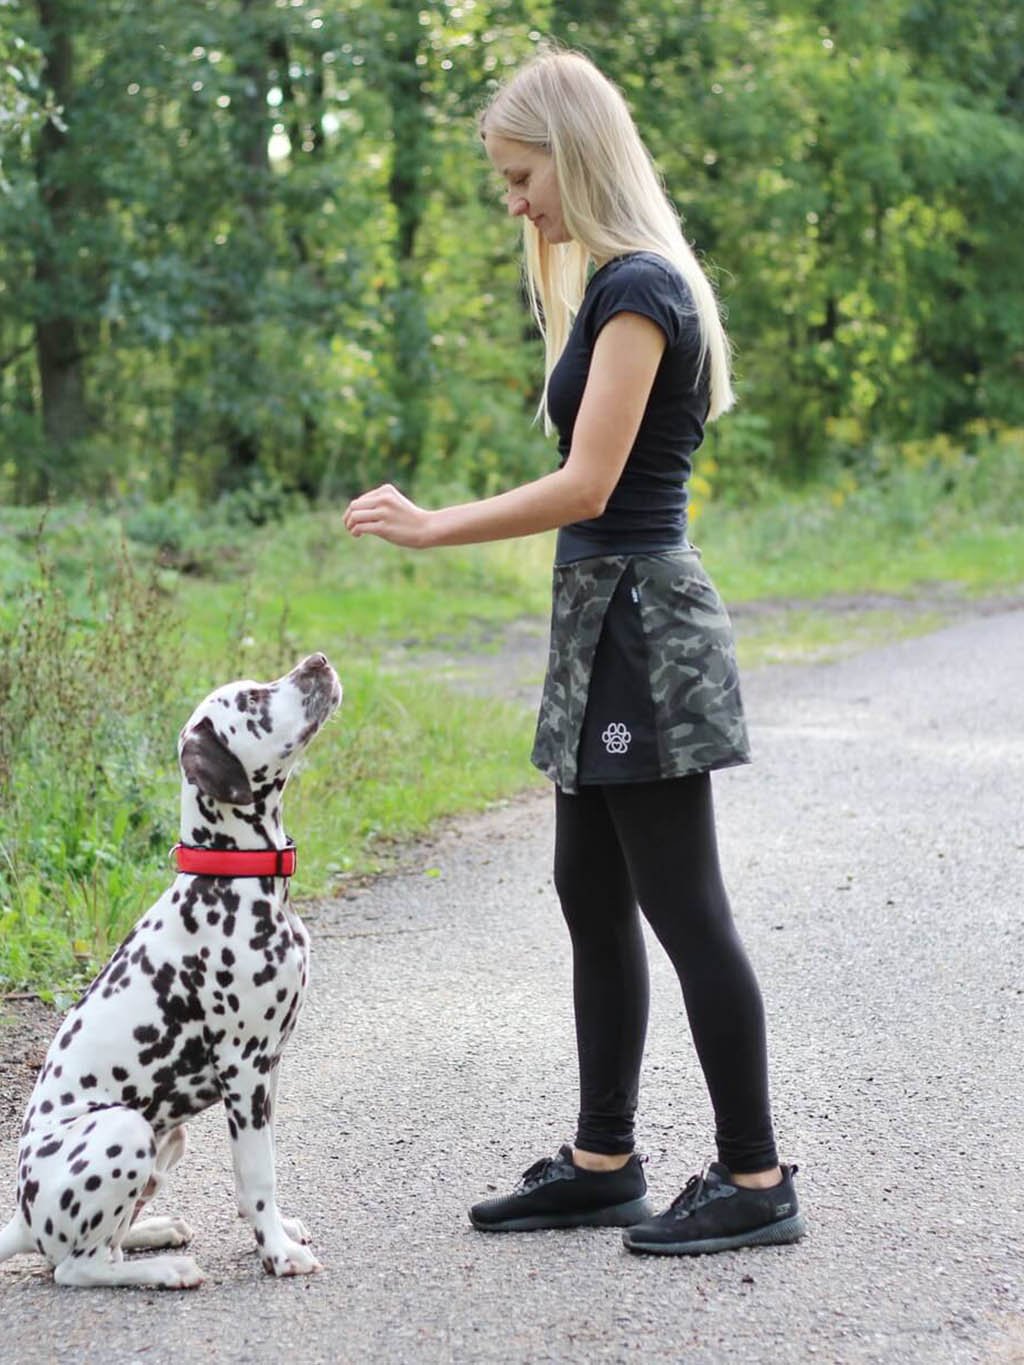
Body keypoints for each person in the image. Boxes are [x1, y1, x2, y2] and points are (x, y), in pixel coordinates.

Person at [343, 47, 805, 1257]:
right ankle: (605, 1161)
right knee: (587, 893)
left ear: (571, 152)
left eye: (518, 175)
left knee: (682, 906)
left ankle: (755, 1178)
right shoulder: (607, 284)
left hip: (643, 624)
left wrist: (437, 526)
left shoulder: (643, 288)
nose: (514, 202)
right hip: (598, 619)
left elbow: (589, 481)